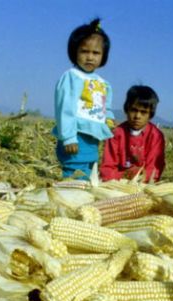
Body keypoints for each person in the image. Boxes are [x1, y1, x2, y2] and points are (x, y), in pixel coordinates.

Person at [52, 18, 115, 180]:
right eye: (84, 51)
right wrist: (68, 137)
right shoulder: (72, 77)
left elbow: (105, 106)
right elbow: (64, 108)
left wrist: (108, 119)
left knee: (88, 168)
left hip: (92, 138)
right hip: (76, 136)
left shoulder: (102, 83)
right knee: (75, 171)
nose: (90, 57)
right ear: (74, 52)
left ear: (103, 56)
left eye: (96, 53)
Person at [101, 85, 166, 182]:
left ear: (150, 115)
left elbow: (154, 169)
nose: (137, 116)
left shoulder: (156, 136)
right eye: (134, 110)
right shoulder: (116, 134)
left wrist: (141, 176)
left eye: (143, 112)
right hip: (117, 183)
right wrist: (123, 176)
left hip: (143, 184)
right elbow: (107, 167)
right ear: (126, 109)